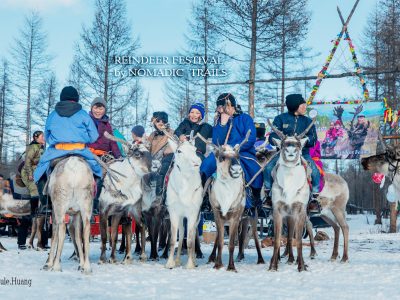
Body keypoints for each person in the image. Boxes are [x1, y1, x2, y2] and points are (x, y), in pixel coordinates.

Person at [34, 86, 102, 214]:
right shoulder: (83, 114)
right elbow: (94, 136)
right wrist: (82, 139)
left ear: (61, 98)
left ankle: (45, 205)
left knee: (40, 172)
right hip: (81, 151)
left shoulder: (52, 114)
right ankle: (94, 206)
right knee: (98, 172)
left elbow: (48, 137)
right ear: (76, 99)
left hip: (57, 152)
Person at [200, 93, 263, 217]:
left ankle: (251, 201)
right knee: (205, 166)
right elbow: (216, 141)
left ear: (231, 106)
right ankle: (205, 198)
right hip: (222, 153)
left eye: (221, 107)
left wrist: (237, 147)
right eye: (218, 107)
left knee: (254, 170)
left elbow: (250, 138)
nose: (219, 110)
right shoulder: (219, 121)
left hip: (242, 152)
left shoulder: (245, 118)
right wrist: (223, 124)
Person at [263, 94, 320, 203]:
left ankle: (314, 199)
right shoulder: (280, 119)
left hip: (302, 153)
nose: (305, 107)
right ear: (295, 106)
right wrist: (279, 141)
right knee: (268, 168)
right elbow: (272, 136)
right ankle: (268, 196)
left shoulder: (308, 122)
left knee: (315, 172)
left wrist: (305, 141)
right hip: (282, 153)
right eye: (302, 105)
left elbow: (314, 138)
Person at [88, 97, 122, 214]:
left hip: (103, 156)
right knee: (95, 173)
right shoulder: (86, 121)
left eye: (101, 108)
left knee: (110, 174)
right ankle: (93, 203)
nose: (98, 111)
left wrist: (118, 156)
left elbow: (112, 141)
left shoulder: (107, 125)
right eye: (96, 108)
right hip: (88, 154)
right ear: (92, 108)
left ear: (104, 110)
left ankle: (109, 202)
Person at [18, 131, 45, 249]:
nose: (44, 138)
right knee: (34, 194)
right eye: (42, 136)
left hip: (38, 172)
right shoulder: (33, 147)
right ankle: (34, 211)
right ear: (36, 137)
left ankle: (43, 242)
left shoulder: (42, 147)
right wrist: (29, 174)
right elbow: (28, 162)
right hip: (29, 172)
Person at [147, 111, 174, 202]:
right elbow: (146, 147)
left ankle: (161, 198)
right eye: (158, 121)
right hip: (153, 163)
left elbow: (175, 144)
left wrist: (169, 150)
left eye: (164, 121)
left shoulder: (171, 133)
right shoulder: (152, 135)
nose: (161, 123)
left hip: (166, 163)